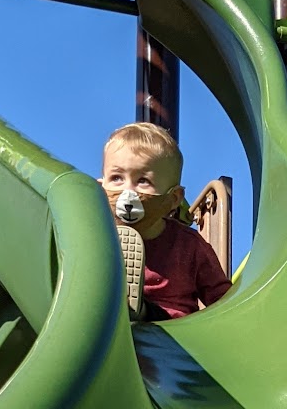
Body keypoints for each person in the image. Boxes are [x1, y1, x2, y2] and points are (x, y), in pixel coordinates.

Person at [98, 123, 231, 320]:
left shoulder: (189, 245)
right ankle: (123, 306)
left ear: (174, 198)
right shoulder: (97, 237)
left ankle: (138, 310)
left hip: (171, 329)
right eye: (117, 178)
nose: (128, 192)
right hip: (114, 326)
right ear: (101, 186)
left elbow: (222, 298)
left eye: (143, 181)